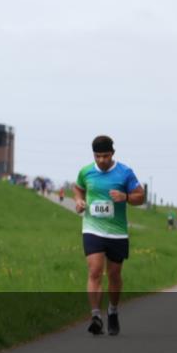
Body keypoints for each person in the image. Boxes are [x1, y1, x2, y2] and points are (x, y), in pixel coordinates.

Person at [74, 135, 145, 336]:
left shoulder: (125, 173)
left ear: (113, 154)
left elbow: (141, 197)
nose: (102, 160)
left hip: (117, 232)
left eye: (105, 156)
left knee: (114, 274)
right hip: (92, 228)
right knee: (95, 270)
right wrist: (79, 201)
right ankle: (96, 316)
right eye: (98, 156)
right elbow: (78, 188)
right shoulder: (86, 172)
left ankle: (112, 311)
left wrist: (126, 197)